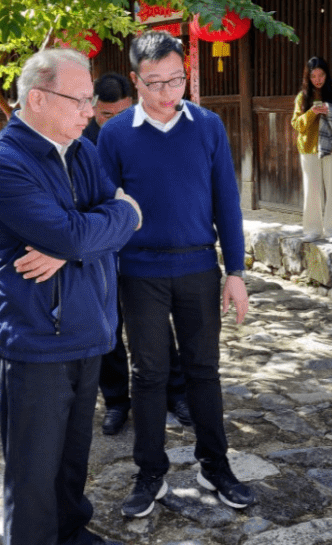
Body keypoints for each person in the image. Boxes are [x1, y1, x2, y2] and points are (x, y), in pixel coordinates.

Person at [0, 48, 140, 545]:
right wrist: (90, 234)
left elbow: (118, 215)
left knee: (72, 457)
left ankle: (71, 532)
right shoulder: (1, 164)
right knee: (33, 471)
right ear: (40, 98)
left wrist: (73, 246)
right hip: (37, 337)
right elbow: (99, 224)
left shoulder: (83, 149)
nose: (91, 111)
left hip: (88, 327)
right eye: (82, 100)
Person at [97, 31, 256, 518]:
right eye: (156, 83)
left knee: (204, 370)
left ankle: (215, 464)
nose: (168, 93)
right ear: (136, 81)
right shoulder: (115, 133)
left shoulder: (207, 126)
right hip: (140, 270)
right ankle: (151, 472)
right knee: (149, 374)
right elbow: (105, 207)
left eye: (176, 80)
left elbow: (226, 201)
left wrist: (235, 270)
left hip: (198, 267)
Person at [83, 72, 192, 436]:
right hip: (100, 248)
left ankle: (175, 393)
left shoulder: (146, 133)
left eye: (118, 113)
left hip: (143, 247)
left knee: (156, 325)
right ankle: (116, 401)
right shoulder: (82, 143)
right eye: (104, 115)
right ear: (93, 109)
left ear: (129, 105)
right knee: (108, 328)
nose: (111, 122)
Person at [290, 56, 332, 244]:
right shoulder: (302, 97)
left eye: (321, 75)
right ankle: (312, 230)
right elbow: (297, 124)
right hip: (309, 148)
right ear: (307, 77)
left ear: (327, 75)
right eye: (313, 76)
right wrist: (312, 112)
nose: (317, 79)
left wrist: (330, 111)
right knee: (312, 189)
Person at [81, 71, 133, 143]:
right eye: (107, 115)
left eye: (122, 114)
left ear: (130, 103)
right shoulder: (82, 147)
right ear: (92, 108)